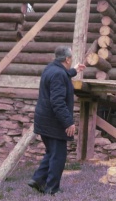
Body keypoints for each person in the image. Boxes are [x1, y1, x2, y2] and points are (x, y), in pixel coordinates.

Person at [28, 46, 86, 195]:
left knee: (51, 153)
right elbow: (58, 102)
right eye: (71, 58)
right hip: (53, 123)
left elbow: (61, 75)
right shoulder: (59, 74)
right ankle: (52, 189)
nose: (71, 60)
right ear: (67, 59)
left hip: (44, 120)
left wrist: (74, 70)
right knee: (58, 156)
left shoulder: (50, 69)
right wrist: (68, 122)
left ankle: (38, 179)